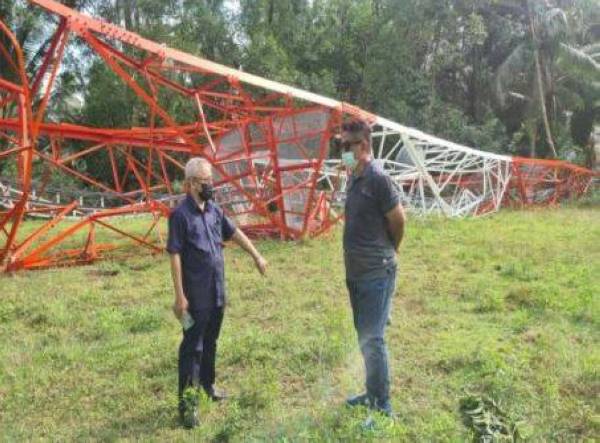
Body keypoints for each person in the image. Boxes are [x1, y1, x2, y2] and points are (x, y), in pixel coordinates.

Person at [167, 157, 268, 428]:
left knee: (210, 342)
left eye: (211, 180)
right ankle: (188, 407)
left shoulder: (213, 210)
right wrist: (180, 296)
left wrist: (256, 256)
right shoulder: (180, 216)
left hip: (217, 292)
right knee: (193, 349)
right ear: (189, 184)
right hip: (195, 296)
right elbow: (175, 256)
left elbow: (234, 233)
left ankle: (208, 387)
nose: (210, 186)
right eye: (204, 181)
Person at [340, 119, 406, 417]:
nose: (342, 151)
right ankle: (372, 393)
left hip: (376, 272)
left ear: (363, 146)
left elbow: (398, 220)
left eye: (346, 146)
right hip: (356, 273)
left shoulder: (378, 178)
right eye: (339, 145)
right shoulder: (354, 177)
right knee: (364, 336)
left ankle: (383, 406)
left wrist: (391, 249)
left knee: (373, 339)